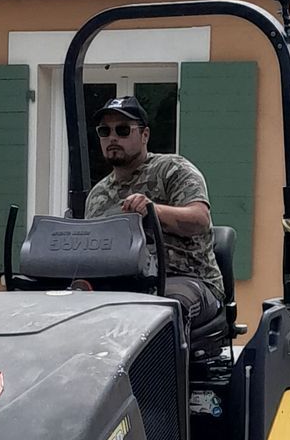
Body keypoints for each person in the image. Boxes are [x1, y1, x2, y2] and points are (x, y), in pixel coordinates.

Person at [83, 95, 226, 335]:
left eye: (123, 130)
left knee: (162, 312)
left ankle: (160, 361)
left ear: (145, 135)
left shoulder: (172, 169)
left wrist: (153, 211)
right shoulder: (97, 196)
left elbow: (199, 220)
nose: (113, 138)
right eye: (104, 131)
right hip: (121, 284)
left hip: (186, 279)